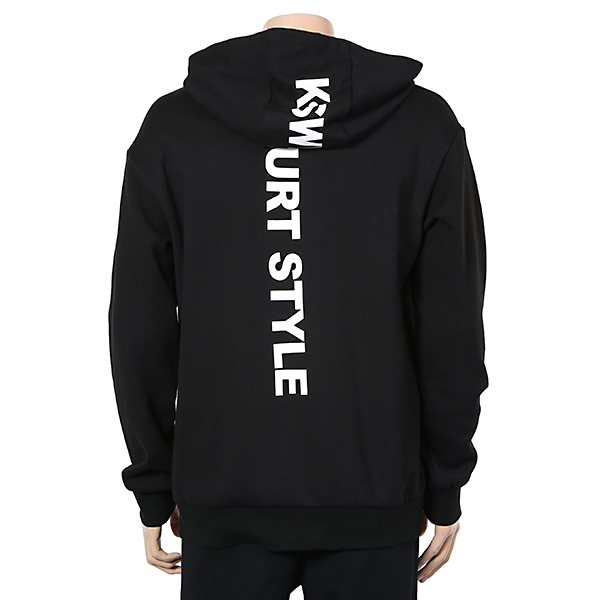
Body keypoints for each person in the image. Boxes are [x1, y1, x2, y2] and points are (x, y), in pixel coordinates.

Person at [108, 12, 489, 599]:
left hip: (226, 489)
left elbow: (139, 324)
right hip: (373, 492)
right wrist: (445, 483)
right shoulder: (420, 125)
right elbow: (452, 325)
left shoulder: (175, 128)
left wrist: (155, 485)